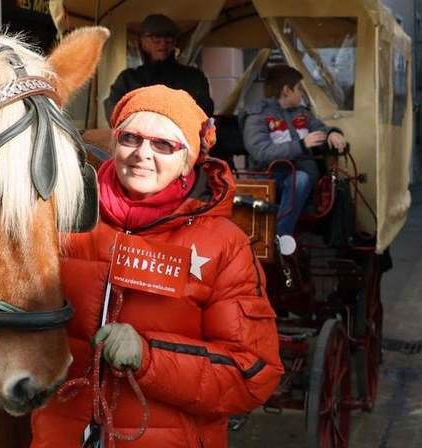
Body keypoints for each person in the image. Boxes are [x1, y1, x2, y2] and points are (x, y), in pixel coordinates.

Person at [31, 85, 282, 448]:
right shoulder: (63, 217)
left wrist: (150, 357)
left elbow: (253, 374)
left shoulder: (223, 244)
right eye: (130, 138)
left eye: (163, 145)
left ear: (188, 160)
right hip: (62, 433)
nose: (141, 155)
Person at [240, 65, 347, 237]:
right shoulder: (257, 116)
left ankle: (282, 238)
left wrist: (333, 133)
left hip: (301, 179)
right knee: (300, 179)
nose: (302, 94)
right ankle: (281, 238)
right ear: (286, 90)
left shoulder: (302, 114)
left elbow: (319, 128)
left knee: (303, 180)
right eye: (299, 89)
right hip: (270, 179)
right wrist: (302, 145)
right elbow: (261, 152)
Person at [103, 14, 215, 121]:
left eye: (168, 39)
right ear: (142, 41)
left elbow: (204, 111)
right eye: (156, 39)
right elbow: (114, 110)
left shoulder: (193, 76)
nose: (163, 44)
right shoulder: (128, 78)